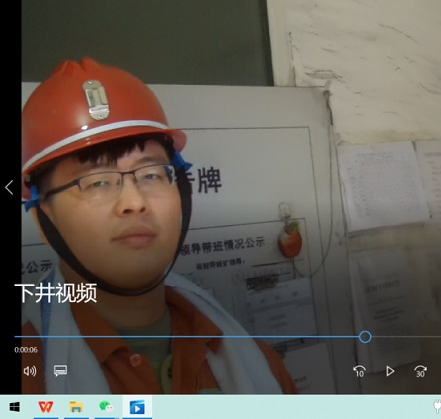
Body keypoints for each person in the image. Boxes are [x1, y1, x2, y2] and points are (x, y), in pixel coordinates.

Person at [21, 57, 298, 394]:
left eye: (151, 174)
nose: (134, 201)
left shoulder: (257, 365)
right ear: (43, 218)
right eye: (97, 182)